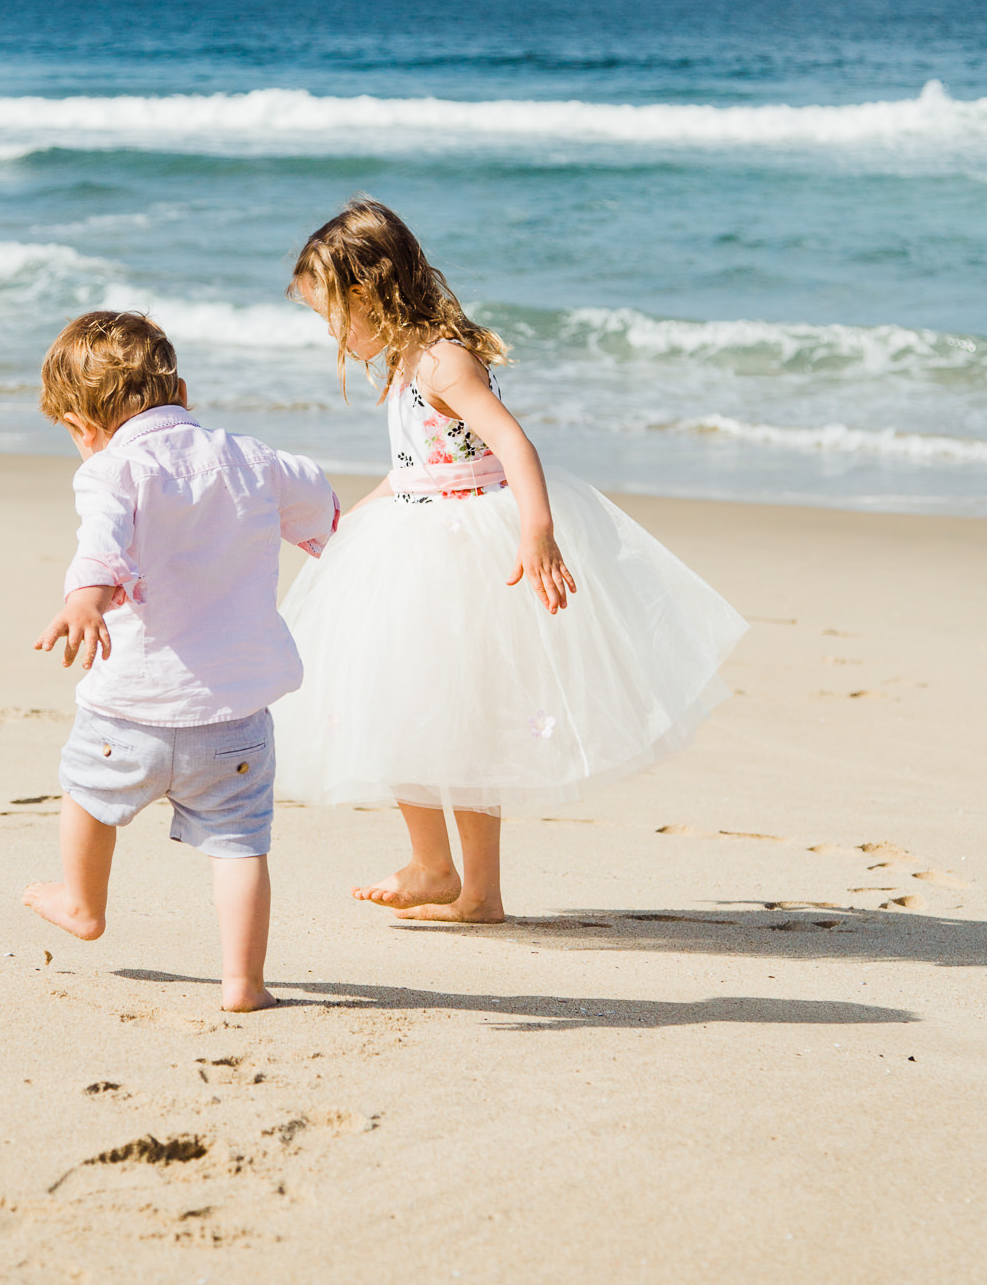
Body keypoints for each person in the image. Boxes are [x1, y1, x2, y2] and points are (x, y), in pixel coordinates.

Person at [273, 196, 747, 922]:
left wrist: (538, 533)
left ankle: (474, 887)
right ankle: (438, 869)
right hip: (413, 536)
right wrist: (341, 528)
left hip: (467, 552)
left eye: (332, 314)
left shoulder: (441, 360)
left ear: (368, 293)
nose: (331, 332)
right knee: (404, 707)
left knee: (461, 721)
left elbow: (514, 444)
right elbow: (412, 471)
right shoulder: (406, 362)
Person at [23, 310, 338, 1010]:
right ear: (183, 390)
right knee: (240, 846)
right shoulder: (254, 460)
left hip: (128, 705)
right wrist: (322, 533)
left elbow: (101, 543)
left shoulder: (110, 469)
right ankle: (243, 983)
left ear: (81, 425)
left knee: (86, 796)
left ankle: (81, 903)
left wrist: (85, 599)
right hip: (232, 717)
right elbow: (318, 498)